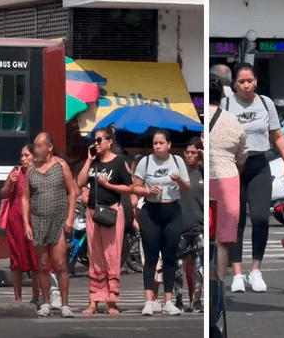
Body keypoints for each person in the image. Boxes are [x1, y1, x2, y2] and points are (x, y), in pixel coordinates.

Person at [221, 63, 284, 293]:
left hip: (259, 164)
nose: (246, 85)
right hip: (233, 166)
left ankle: (256, 270)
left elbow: (277, 135)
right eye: (241, 81)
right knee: (236, 220)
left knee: (261, 217)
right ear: (234, 84)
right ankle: (238, 274)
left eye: (250, 80)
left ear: (256, 81)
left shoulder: (265, 103)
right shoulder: (226, 105)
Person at [132, 130, 191, 316]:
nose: (157, 146)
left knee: (170, 258)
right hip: (151, 211)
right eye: (155, 143)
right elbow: (135, 187)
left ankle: (168, 301)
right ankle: (149, 300)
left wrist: (179, 179)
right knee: (150, 257)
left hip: (172, 211)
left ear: (169, 144)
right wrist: (148, 191)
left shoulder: (177, 161)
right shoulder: (145, 162)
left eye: (161, 143)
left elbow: (187, 189)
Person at [76, 127, 134, 316]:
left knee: (112, 257)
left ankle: (111, 302)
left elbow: (129, 187)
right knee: (94, 257)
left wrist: (108, 185)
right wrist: (88, 160)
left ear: (110, 142)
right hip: (93, 212)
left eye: (100, 140)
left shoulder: (119, 162)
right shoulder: (93, 163)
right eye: (95, 140)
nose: (97, 143)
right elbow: (80, 182)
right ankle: (93, 301)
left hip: (112, 212)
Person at [22, 132, 77, 318]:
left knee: (61, 263)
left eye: (39, 146)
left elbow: (72, 192)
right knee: (43, 265)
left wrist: (70, 218)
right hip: (38, 221)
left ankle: (65, 304)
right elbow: (25, 198)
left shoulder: (61, 166)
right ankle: (46, 302)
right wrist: (26, 225)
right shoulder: (31, 169)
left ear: (49, 147)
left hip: (59, 220)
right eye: (35, 146)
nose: (35, 150)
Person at [209, 76, 248, 281]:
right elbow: (242, 155)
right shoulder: (233, 122)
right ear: (222, 97)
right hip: (228, 178)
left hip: (202, 181)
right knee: (223, 238)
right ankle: (218, 284)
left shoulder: (197, 120)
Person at [0, 144, 40, 305]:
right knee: (15, 259)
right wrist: (10, 184)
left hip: (33, 219)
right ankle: (18, 297)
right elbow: (2, 194)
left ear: (34, 157)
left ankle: (36, 296)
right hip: (15, 219)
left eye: (26, 155)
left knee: (35, 258)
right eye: (22, 155)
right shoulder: (16, 172)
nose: (23, 159)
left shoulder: (38, 172)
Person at [177, 137, 205, 311]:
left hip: (199, 227)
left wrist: (204, 159)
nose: (189, 156)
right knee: (178, 268)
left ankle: (197, 301)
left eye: (193, 153)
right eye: (186, 153)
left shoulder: (203, 173)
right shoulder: (179, 174)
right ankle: (178, 300)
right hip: (180, 227)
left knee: (198, 268)